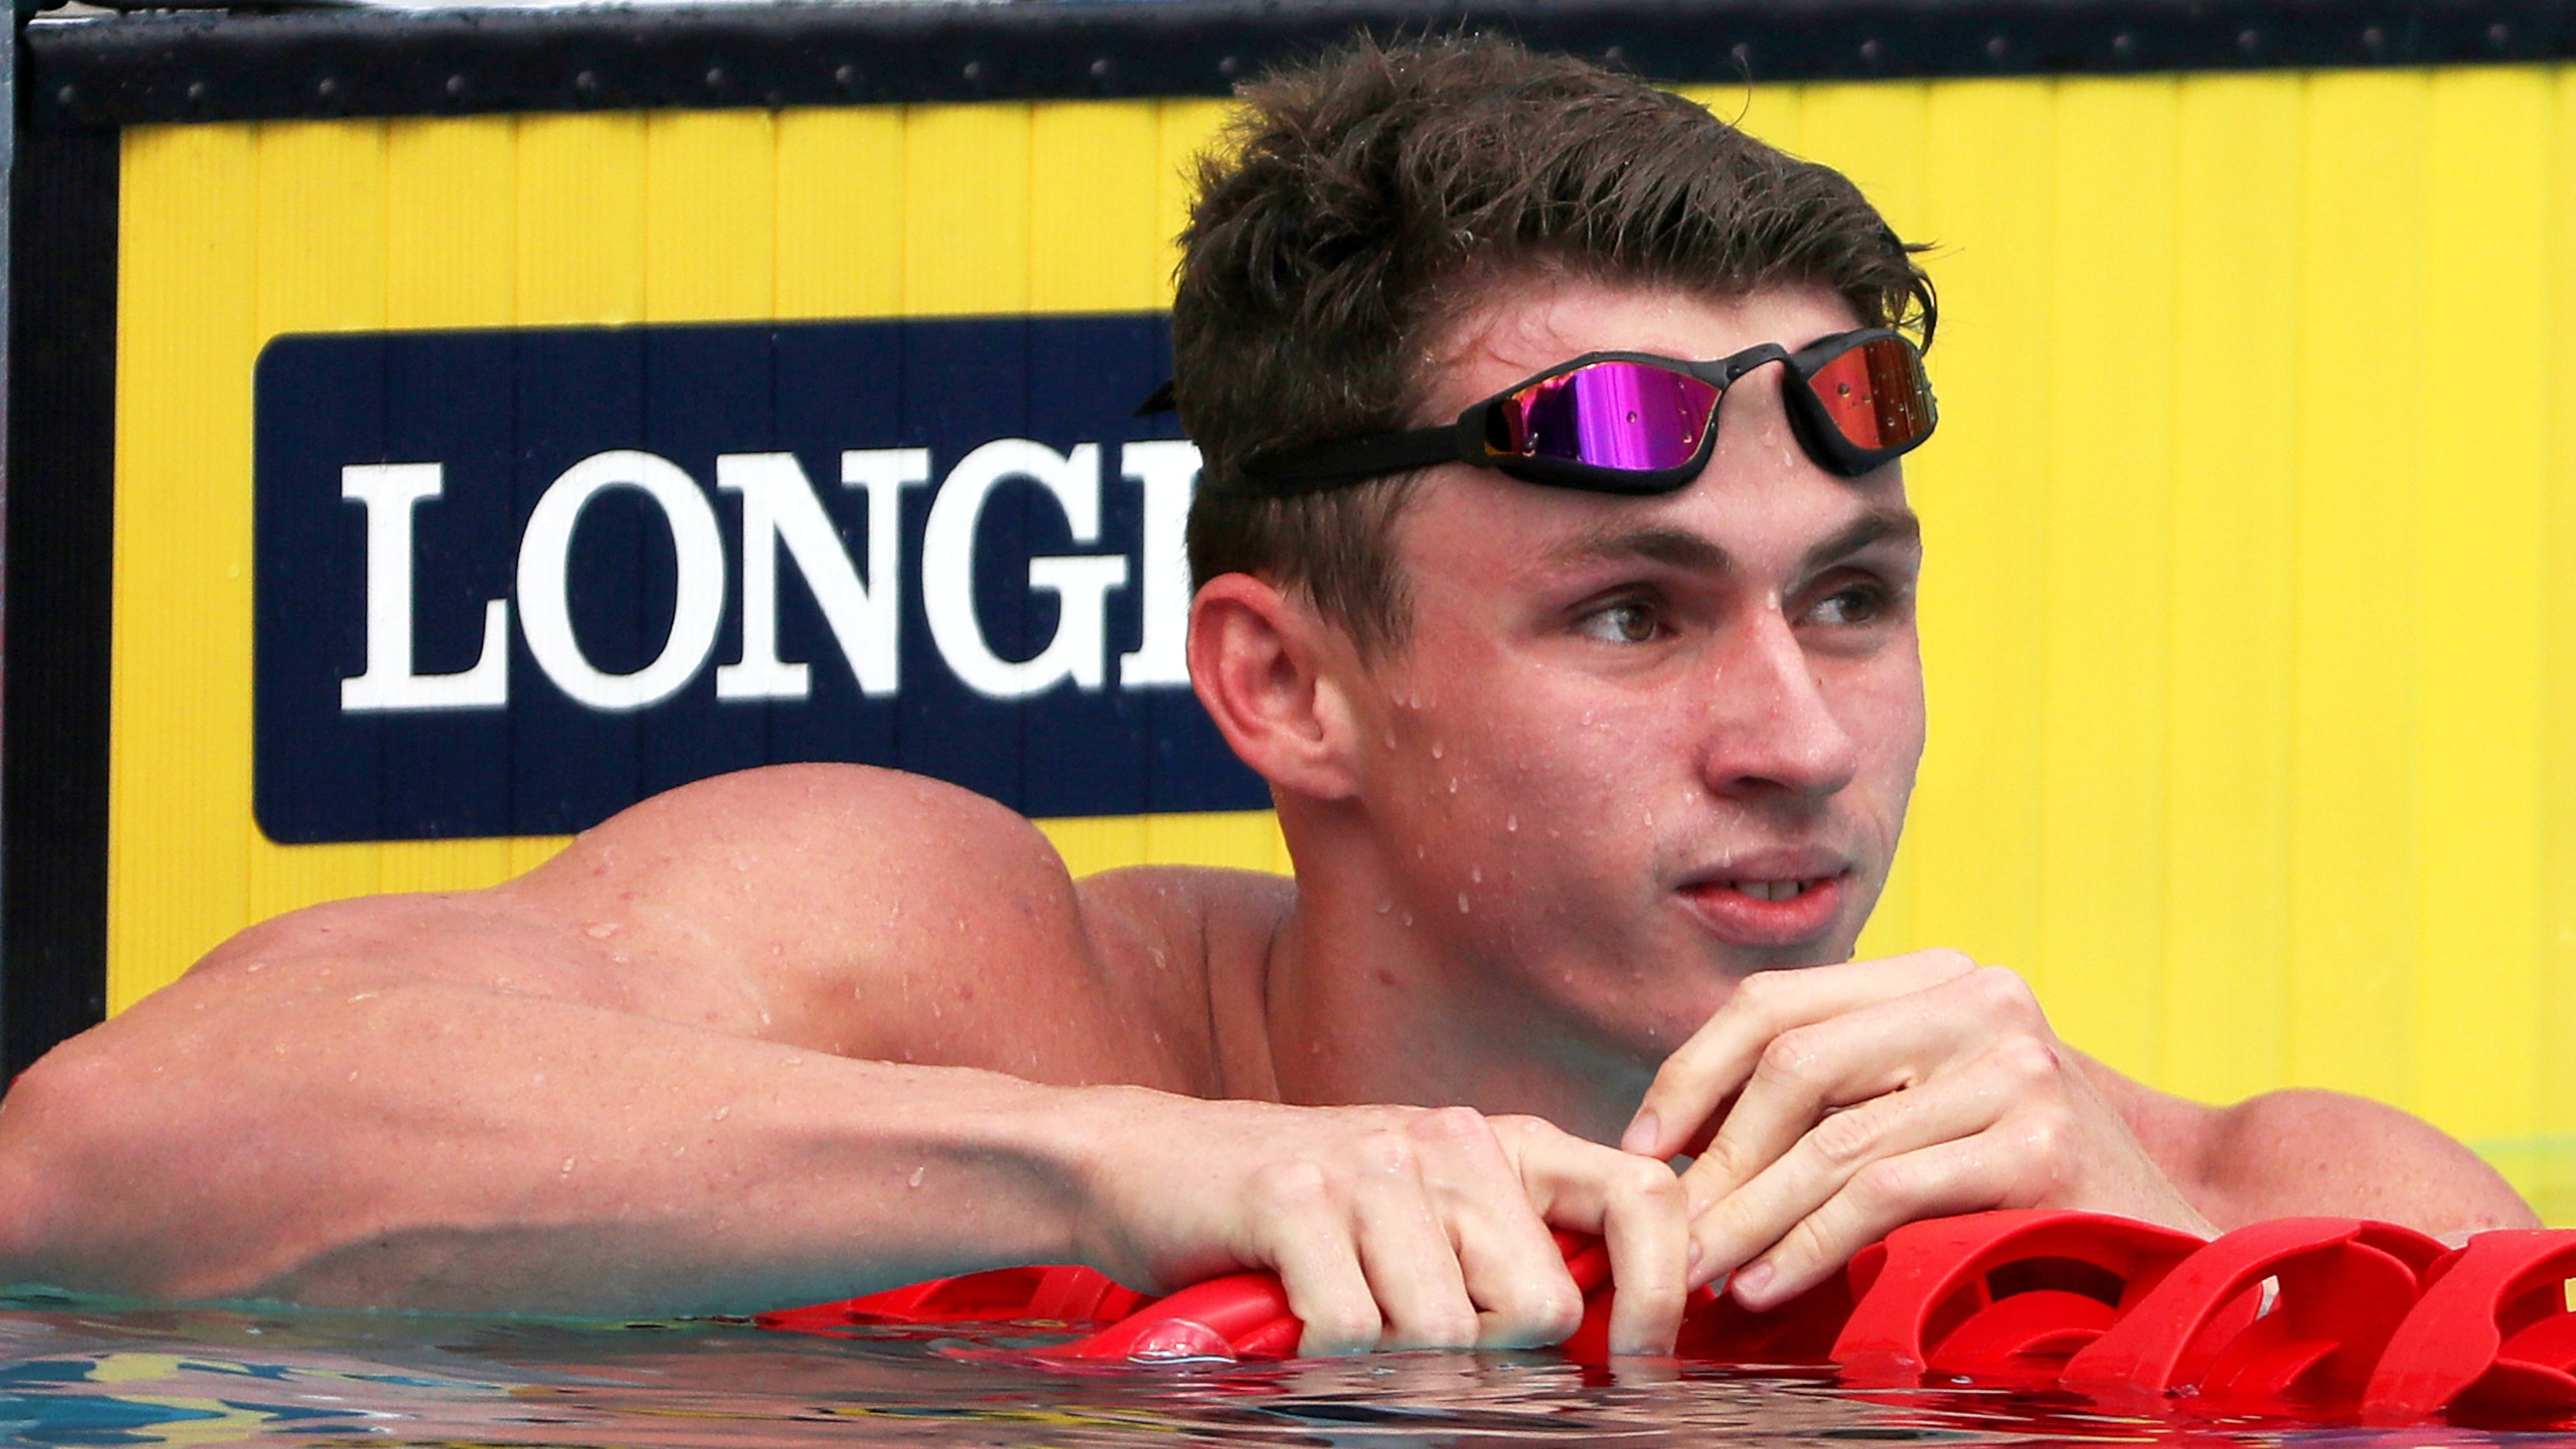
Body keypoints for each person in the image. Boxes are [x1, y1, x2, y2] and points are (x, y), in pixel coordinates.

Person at [0, 35, 2531, 1356]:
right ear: (1281, 686)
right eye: (1633, 617)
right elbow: (96, 1167)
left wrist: (2136, 1250)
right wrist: (1133, 1177)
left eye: (1849, 598)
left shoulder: (2197, 1199)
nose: (1797, 738)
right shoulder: (959, 973)